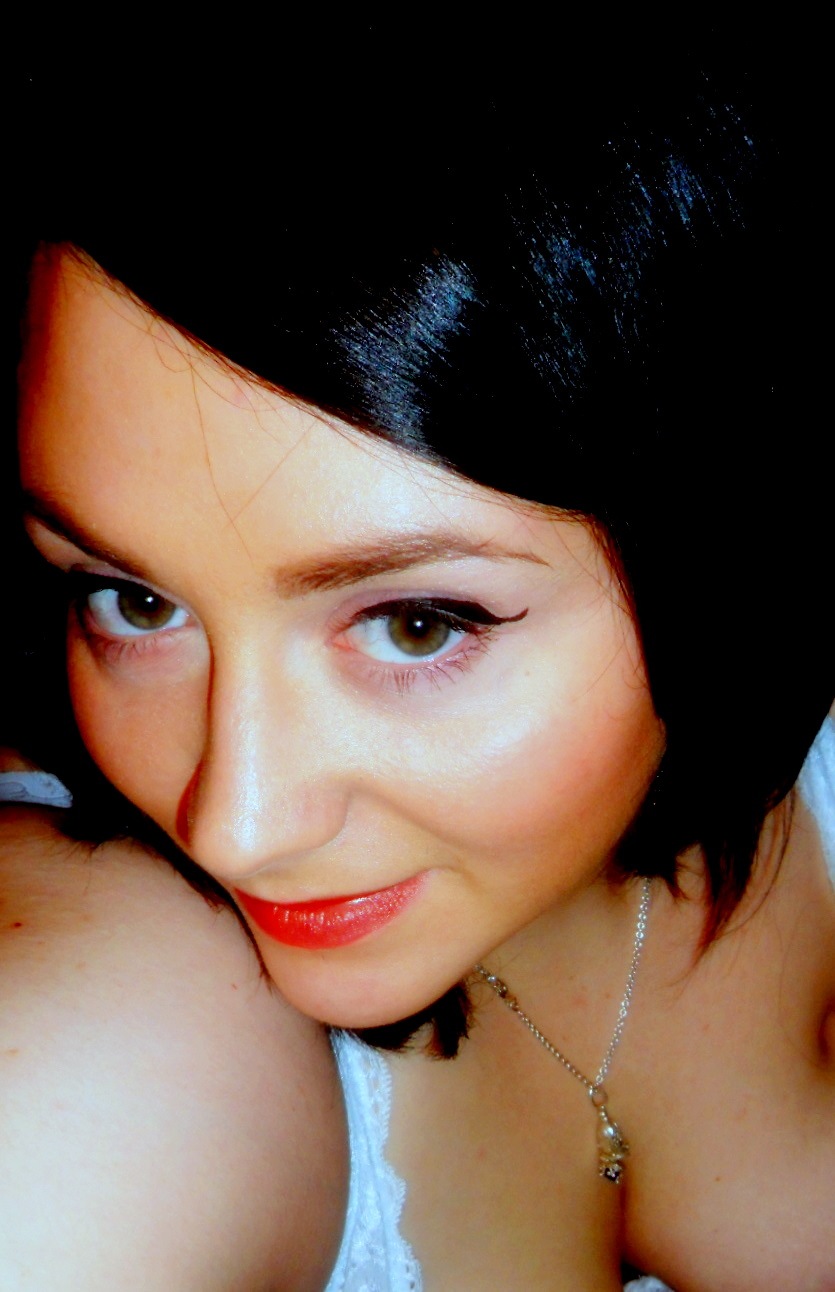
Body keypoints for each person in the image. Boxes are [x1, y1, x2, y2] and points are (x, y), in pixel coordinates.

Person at [3, 27, 833, 1290]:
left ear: (725, 536)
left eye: (416, 623)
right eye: (131, 600)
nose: (235, 825)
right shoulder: (116, 1050)